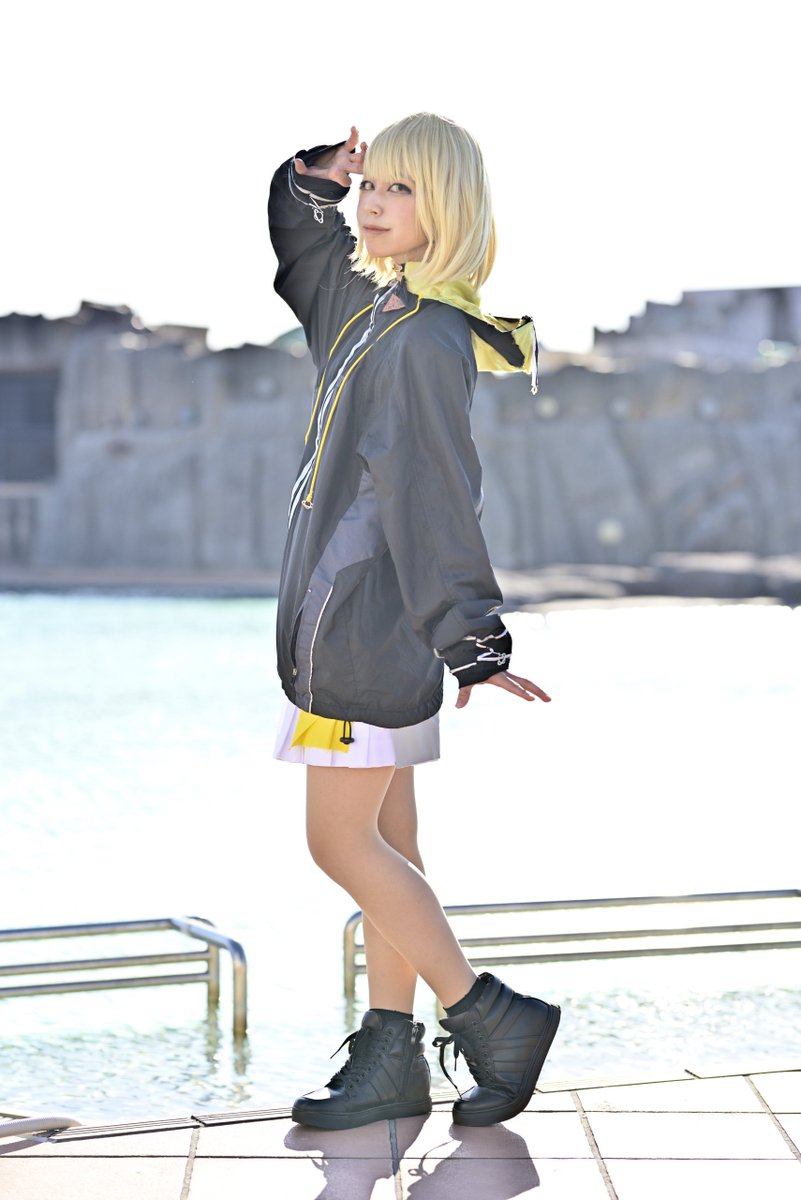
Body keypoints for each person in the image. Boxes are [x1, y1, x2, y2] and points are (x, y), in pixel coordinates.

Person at [268, 113, 560, 1131]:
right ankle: (391, 1056)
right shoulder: (372, 311)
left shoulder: (425, 338)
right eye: (371, 186)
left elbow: (435, 491)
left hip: (358, 635)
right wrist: (313, 182)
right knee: (391, 842)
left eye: (402, 189)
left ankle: (490, 1015)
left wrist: (471, 635)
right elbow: (308, 261)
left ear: (450, 208)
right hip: (366, 627)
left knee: (338, 844)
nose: (375, 204)